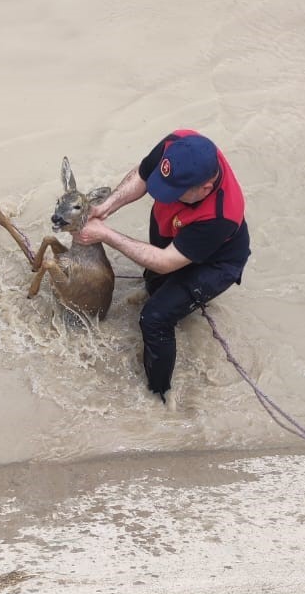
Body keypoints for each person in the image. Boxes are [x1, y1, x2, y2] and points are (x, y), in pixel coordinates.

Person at [76, 129, 250, 402]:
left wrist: (106, 235)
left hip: (216, 262)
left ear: (204, 188)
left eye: (175, 192)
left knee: (154, 318)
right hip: (176, 232)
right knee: (153, 284)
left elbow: (167, 261)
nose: (164, 194)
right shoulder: (179, 143)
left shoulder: (220, 215)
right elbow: (144, 175)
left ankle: (159, 396)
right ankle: (179, 305)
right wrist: (105, 208)